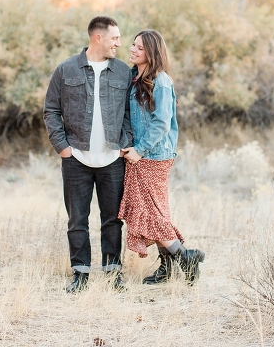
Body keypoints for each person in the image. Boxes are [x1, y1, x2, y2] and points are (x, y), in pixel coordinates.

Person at [43, 16, 133, 293]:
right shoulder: (66, 69)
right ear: (98, 38)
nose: (119, 43)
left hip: (112, 159)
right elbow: (51, 110)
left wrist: (124, 144)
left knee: (112, 219)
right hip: (76, 159)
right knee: (77, 219)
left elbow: (129, 113)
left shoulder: (123, 72)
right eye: (114, 38)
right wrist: (63, 147)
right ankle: (80, 274)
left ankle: (112, 273)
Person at [119, 29, 206, 285]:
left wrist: (139, 149)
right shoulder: (136, 77)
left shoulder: (161, 81)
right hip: (141, 153)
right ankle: (168, 268)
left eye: (140, 48)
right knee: (156, 212)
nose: (133, 50)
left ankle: (184, 256)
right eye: (133, 45)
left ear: (152, 53)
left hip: (154, 154)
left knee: (151, 213)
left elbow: (162, 123)